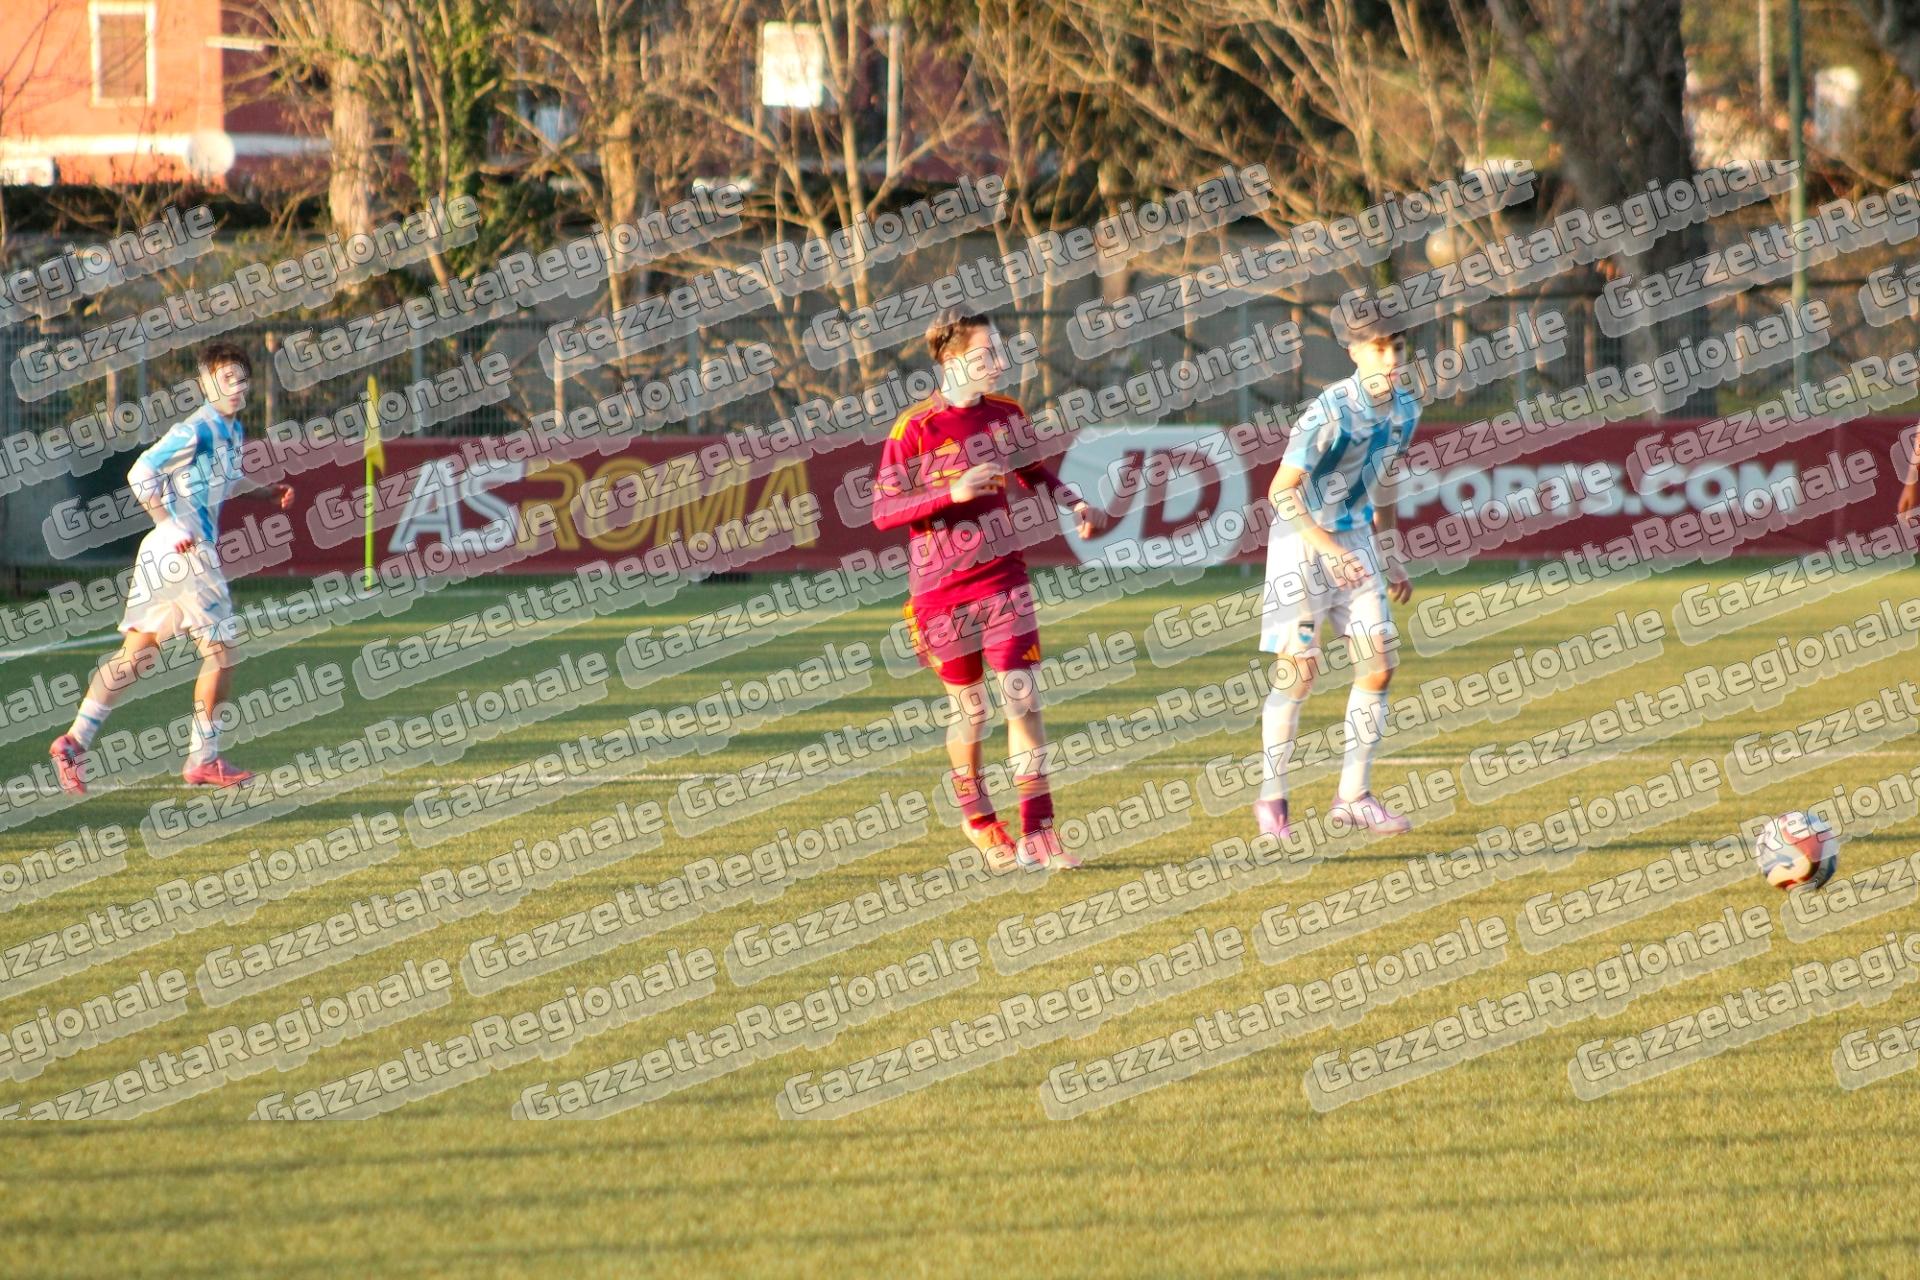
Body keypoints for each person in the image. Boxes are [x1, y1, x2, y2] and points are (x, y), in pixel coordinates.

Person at [871, 309, 1106, 870]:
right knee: (971, 712)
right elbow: (883, 510)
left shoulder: (1007, 414)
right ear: (953, 360)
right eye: (988, 353)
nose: (1000, 362)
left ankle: (1038, 832)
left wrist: (1074, 503)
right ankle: (977, 818)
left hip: (1004, 578)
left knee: (1022, 698)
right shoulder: (914, 428)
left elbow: (1033, 471)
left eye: (1000, 351)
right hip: (940, 592)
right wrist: (950, 493)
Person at [49, 341, 294, 794]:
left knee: (137, 655)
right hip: (187, 551)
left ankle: (73, 741)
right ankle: (204, 759)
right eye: (226, 378)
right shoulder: (195, 429)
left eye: (241, 379)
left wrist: (265, 492)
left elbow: (225, 479)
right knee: (221, 653)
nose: (236, 387)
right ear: (207, 384)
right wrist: (170, 524)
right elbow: (140, 473)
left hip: (161, 555)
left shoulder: (231, 431)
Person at [1255, 308, 1419, 840]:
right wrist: (1327, 549)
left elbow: (1385, 480)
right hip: (1302, 544)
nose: (1391, 359)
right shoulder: (1329, 411)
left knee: (1379, 665)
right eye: (1379, 348)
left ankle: (1353, 796)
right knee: (1299, 672)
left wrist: (1389, 551)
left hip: (1356, 542)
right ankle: (1272, 800)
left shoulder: (1406, 408)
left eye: (1397, 347)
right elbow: (1281, 492)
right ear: (1354, 352)